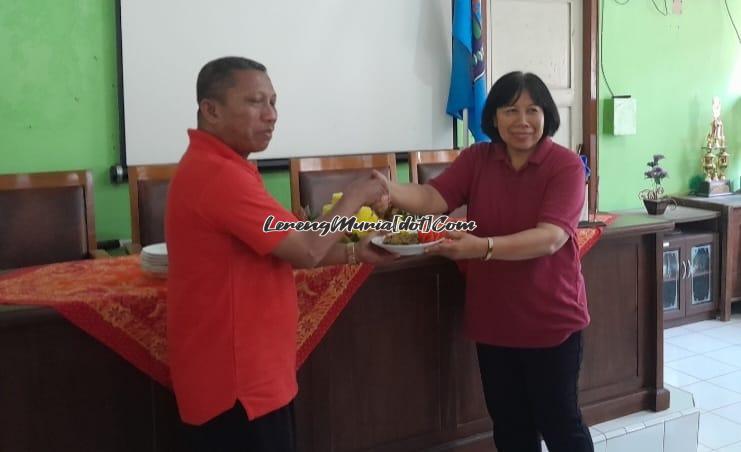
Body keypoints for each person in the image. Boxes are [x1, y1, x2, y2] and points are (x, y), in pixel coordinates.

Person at [165, 56, 393, 452]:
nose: (271, 116)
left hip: (247, 372)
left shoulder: (224, 166)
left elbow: (287, 244)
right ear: (211, 110)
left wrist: (356, 250)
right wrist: (355, 196)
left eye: (274, 103)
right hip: (237, 385)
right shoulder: (218, 175)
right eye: (256, 102)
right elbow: (306, 250)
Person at [374, 71, 593, 452]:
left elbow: (551, 237)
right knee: (510, 427)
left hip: (550, 320)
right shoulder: (478, 158)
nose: (522, 121)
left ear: (547, 115)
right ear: (493, 117)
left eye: (532, 110)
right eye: (510, 110)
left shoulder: (566, 166)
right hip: (494, 320)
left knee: (560, 423)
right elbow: (433, 198)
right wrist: (389, 190)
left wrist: (484, 248)